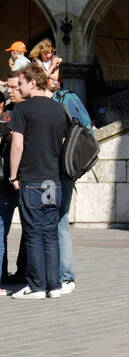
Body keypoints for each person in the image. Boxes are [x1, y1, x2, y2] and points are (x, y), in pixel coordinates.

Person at [6, 63, 68, 299]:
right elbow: (62, 144)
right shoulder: (60, 109)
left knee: (32, 233)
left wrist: (13, 176)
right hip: (53, 180)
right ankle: (54, 286)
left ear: (33, 82)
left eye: (21, 83)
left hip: (31, 179)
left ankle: (36, 286)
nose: (18, 88)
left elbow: (17, 145)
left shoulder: (23, 110)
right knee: (50, 232)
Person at [33, 40, 88, 295]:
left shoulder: (69, 98)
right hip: (45, 170)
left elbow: (86, 129)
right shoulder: (38, 100)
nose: (49, 74)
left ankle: (66, 276)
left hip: (63, 169)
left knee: (60, 221)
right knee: (48, 222)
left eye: (53, 69)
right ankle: (49, 276)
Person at [0, 70, 20, 284]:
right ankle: (4, 274)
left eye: (15, 87)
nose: (10, 91)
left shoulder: (14, 116)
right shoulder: (10, 111)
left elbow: (17, 142)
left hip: (11, 183)